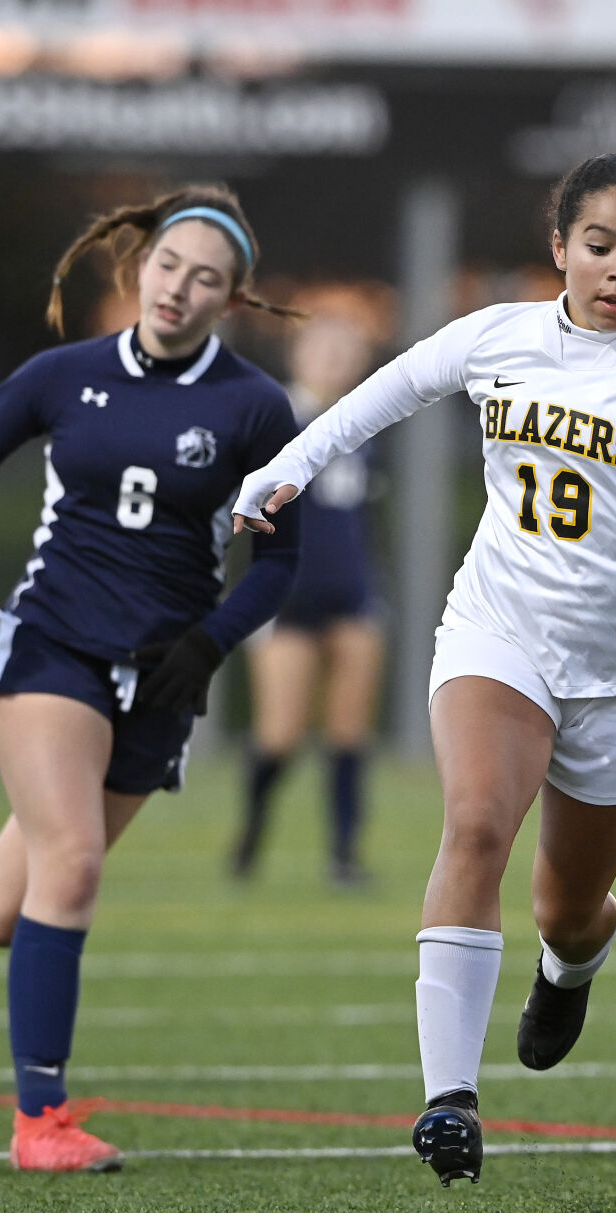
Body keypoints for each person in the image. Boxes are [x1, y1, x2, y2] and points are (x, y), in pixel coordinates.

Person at [232, 152, 616, 1188]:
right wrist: (285, 467)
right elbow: (375, 398)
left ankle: (568, 967)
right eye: (599, 246)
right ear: (557, 245)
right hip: (499, 629)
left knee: (567, 907)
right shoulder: (500, 334)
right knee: (475, 821)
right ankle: (448, 1102)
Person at [0, 186, 302, 1172]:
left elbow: (278, 560)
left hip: (160, 676)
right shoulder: (66, 375)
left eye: (207, 279)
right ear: (139, 266)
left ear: (233, 300)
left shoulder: (256, 407)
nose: (180, 288)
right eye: (170, 266)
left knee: (0, 911)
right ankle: (39, 1122)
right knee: (75, 864)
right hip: (52, 644)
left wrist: (212, 641)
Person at [228, 284, 392, 887]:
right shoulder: (275, 422)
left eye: (346, 352)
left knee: (350, 733)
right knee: (281, 735)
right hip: (287, 598)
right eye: (323, 349)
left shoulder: (364, 430)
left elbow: (364, 520)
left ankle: (344, 857)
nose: (333, 361)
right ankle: (250, 834)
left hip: (351, 595)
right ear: (298, 355)